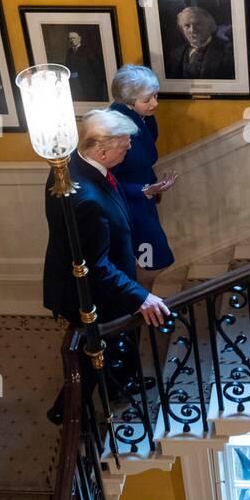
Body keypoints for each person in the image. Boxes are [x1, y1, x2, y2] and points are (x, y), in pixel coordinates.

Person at [42, 109, 170, 422]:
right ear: (101, 150)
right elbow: (96, 267)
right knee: (91, 354)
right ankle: (66, 413)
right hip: (88, 294)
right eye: (124, 146)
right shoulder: (85, 199)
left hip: (101, 281)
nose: (128, 150)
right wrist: (141, 296)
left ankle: (119, 386)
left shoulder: (76, 162)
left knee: (115, 343)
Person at [107, 65, 178, 290]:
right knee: (152, 260)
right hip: (129, 209)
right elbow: (108, 182)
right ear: (128, 100)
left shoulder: (139, 118)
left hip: (143, 204)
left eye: (155, 96)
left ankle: (144, 303)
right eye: (147, 99)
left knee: (152, 259)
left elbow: (141, 161)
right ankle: (137, 303)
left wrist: (152, 187)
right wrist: (146, 190)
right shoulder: (117, 128)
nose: (155, 103)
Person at [173, 6, 234, 80]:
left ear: (209, 25)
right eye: (187, 26)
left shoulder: (228, 53)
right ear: (182, 29)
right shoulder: (175, 54)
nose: (192, 30)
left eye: (198, 24)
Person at [63, 30, 106, 103]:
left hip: (88, 84)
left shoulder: (88, 50)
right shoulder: (69, 52)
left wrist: (96, 83)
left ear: (79, 38)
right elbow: (67, 67)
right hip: (75, 84)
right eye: (70, 39)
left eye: (74, 38)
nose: (72, 40)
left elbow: (97, 66)